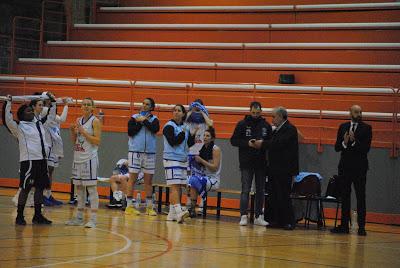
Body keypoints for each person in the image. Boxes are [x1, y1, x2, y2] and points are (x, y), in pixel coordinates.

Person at [3, 94, 55, 225]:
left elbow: (51, 117)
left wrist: (53, 103)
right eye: (28, 111)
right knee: (26, 189)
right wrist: (8, 103)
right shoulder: (19, 127)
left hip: (42, 160)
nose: (31, 112)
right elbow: (6, 119)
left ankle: (37, 216)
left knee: (40, 188)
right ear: (21, 115)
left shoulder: (38, 123)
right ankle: (19, 216)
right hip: (29, 161)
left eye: (31, 110)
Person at [331, 105, 372, 236]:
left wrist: (354, 142)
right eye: (356, 112)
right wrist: (344, 142)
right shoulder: (343, 126)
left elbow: (366, 149)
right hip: (345, 167)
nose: (359, 114)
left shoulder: (367, 128)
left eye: (360, 112)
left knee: (361, 197)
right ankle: (344, 226)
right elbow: (337, 148)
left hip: (359, 168)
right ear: (350, 113)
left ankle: (361, 227)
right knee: (345, 196)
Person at [230, 101, 272, 226]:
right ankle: (243, 215)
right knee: (246, 189)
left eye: (258, 113)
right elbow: (233, 140)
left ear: (261, 112)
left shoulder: (266, 125)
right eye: (253, 112)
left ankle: (259, 216)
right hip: (246, 163)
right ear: (250, 111)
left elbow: (271, 142)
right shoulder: (242, 124)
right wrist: (247, 143)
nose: (255, 115)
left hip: (261, 164)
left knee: (260, 190)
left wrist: (262, 144)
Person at [260, 106, 299, 230]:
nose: (272, 119)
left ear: (281, 117)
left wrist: (262, 144)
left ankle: (289, 221)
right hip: (274, 168)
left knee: (284, 195)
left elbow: (279, 144)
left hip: (285, 169)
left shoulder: (290, 129)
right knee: (274, 195)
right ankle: (275, 220)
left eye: (273, 116)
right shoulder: (276, 130)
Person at [66, 97, 101, 228]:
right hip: (77, 158)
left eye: (88, 105)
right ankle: (79, 218)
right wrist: (72, 132)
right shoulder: (78, 120)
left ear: (93, 108)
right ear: (81, 107)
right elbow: (74, 141)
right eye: (83, 104)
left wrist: (83, 132)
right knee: (79, 189)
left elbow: (97, 141)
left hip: (89, 158)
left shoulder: (95, 121)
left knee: (91, 189)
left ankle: (93, 219)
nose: (85, 106)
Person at [125, 98, 160, 216]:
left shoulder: (155, 119)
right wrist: (140, 122)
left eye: (147, 104)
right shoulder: (134, 118)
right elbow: (131, 132)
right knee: (132, 179)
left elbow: (155, 129)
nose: (144, 105)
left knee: (148, 181)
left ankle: (150, 207)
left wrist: (144, 120)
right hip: (135, 152)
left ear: (151, 107)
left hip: (150, 153)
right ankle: (129, 206)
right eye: (143, 103)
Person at [163, 104, 195, 223]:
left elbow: (189, 144)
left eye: (179, 110)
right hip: (171, 159)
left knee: (179, 186)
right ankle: (179, 211)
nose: (176, 112)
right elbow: (174, 142)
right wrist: (183, 132)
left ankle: (171, 214)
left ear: (183, 114)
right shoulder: (168, 126)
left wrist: (193, 134)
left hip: (182, 159)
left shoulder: (185, 127)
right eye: (174, 110)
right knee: (174, 186)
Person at [39, 91, 69, 206]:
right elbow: (60, 118)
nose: (53, 97)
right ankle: (42, 195)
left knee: (50, 171)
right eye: (50, 96)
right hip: (45, 145)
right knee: (45, 171)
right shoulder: (43, 110)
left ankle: (48, 194)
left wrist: (65, 104)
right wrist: (63, 103)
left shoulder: (51, 110)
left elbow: (62, 119)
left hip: (53, 144)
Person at [185, 99, 213, 211]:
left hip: (201, 153)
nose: (197, 111)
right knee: (189, 178)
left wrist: (202, 111)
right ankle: (189, 200)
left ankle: (202, 202)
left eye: (199, 108)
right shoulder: (189, 122)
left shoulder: (205, 123)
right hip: (190, 152)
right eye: (196, 109)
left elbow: (210, 123)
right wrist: (192, 109)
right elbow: (185, 118)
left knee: (201, 178)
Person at [187, 127, 221, 218]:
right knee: (190, 180)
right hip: (203, 177)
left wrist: (201, 160)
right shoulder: (202, 148)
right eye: (204, 135)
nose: (205, 137)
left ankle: (197, 205)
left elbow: (214, 168)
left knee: (194, 180)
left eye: (207, 136)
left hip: (213, 180)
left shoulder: (215, 149)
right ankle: (192, 209)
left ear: (212, 138)